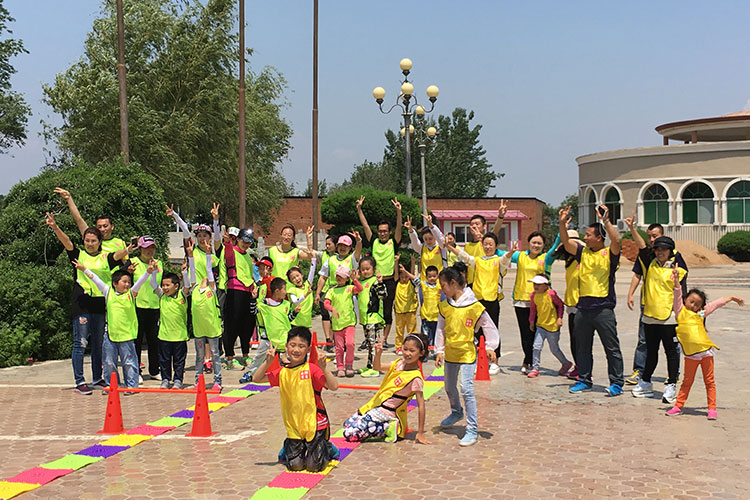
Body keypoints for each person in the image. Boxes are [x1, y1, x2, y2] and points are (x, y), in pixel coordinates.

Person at [46, 212, 129, 395]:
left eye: (93, 241)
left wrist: (130, 248)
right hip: (81, 304)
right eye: (87, 240)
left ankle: (97, 378)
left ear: (99, 242)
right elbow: (67, 242)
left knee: (98, 344)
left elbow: (118, 255)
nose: (90, 244)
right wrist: (55, 227)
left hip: (99, 304)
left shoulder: (105, 257)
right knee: (81, 343)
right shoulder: (79, 255)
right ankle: (80, 381)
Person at [252, 327, 340, 472]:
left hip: (315, 424)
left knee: (314, 467)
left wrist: (324, 368)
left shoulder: (311, 369)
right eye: (292, 345)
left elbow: (334, 386)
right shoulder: (283, 372)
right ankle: (290, 446)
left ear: (308, 349)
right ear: (286, 346)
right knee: (296, 466)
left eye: (301, 346)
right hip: (294, 425)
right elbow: (256, 378)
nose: (296, 350)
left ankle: (328, 447)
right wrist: (267, 362)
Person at [559, 204, 625, 396]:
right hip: (583, 309)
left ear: (598, 237)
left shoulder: (609, 254)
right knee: (583, 348)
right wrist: (562, 224)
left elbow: (616, 240)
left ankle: (617, 383)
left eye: (588, 235)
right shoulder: (583, 252)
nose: (585, 237)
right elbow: (566, 242)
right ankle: (584, 380)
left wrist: (606, 220)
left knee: (611, 348)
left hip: (603, 309)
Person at [665, 271, 744, 420]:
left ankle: (712, 408)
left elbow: (715, 305)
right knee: (687, 382)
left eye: (697, 304)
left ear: (700, 307)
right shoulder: (680, 311)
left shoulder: (700, 314)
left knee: (709, 381)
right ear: (685, 300)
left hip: (706, 352)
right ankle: (678, 406)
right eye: (691, 301)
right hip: (691, 355)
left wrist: (731, 298)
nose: (693, 305)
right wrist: (676, 280)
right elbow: (677, 294)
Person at [625, 214, 687, 403]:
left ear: (670, 251)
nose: (660, 252)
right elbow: (642, 246)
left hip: (668, 318)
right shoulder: (649, 262)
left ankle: (671, 385)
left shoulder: (677, 269)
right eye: (657, 249)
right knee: (651, 351)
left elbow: (681, 291)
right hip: (650, 316)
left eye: (664, 250)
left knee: (671, 352)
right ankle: (645, 382)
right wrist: (632, 228)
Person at [436, 266, 499, 447]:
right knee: (449, 386)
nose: (442, 289)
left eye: (443, 285)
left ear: (453, 283)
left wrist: (490, 346)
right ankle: (456, 411)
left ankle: (472, 429)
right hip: (451, 352)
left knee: (466, 388)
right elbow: (440, 329)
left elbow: (488, 325)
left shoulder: (474, 306)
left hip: (467, 353)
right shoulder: (445, 306)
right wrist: (439, 350)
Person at [72, 261, 149, 392]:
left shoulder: (131, 294)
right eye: (124, 282)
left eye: (129, 282)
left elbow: (141, 282)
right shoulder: (108, 292)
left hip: (127, 336)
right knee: (109, 363)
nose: (127, 284)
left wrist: (148, 272)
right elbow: (95, 279)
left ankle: (131, 386)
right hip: (110, 336)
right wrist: (84, 269)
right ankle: (112, 386)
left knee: (129, 362)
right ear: (115, 283)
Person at [343, 334, 430, 444]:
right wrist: (378, 354)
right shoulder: (399, 363)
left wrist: (420, 432)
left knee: (350, 434)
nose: (407, 353)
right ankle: (378, 425)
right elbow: (377, 367)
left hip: (388, 412)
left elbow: (421, 405)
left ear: (421, 353)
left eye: (412, 351)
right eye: (405, 349)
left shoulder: (415, 378)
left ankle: (388, 427)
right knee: (347, 424)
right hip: (377, 405)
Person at [448, 232, 512, 375]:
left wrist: (511, 252)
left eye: (491, 244)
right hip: (477, 301)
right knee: (477, 331)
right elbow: (464, 256)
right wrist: (450, 247)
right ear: (482, 245)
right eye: (486, 244)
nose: (488, 247)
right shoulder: (477, 261)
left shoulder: (498, 261)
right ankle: (478, 359)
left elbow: (506, 259)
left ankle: (494, 362)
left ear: (496, 246)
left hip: (492, 300)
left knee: (493, 330)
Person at [499, 229, 557, 375]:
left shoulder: (546, 258)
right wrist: (485, 239)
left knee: (537, 334)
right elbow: (499, 253)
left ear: (543, 245)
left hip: (540, 302)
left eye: (539, 243)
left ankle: (532, 361)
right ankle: (528, 360)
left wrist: (561, 228)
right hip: (521, 300)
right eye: (534, 242)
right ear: (529, 243)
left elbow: (556, 246)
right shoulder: (520, 256)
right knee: (525, 333)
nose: (536, 245)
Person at [357, 195, 402, 348]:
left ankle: (383, 339)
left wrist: (398, 212)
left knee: (387, 312)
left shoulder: (393, 242)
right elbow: (365, 226)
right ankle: (369, 338)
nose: (382, 234)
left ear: (389, 232)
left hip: (389, 282)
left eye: (385, 231)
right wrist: (359, 209)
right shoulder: (374, 241)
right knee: (370, 310)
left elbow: (399, 227)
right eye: (380, 231)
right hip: (374, 282)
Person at [146, 253, 192, 390]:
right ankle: (165, 379)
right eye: (163, 285)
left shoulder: (182, 295)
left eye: (168, 285)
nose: (165, 288)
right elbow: (153, 284)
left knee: (179, 361)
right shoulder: (162, 296)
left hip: (179, 336)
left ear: (176, 286)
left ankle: (178, 380)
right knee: (164, 360)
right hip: (164, 336)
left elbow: (187, 285)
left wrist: (184, 273)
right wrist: (154, 271)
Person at [242, 277, 299, 381]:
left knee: (291, 355)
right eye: (284, 289)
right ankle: (250, 374)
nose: (286, 292)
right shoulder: (265, 304)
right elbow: (253, 311)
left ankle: (294, 374)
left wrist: (294, 313)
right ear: (277, 291)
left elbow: (288, 319)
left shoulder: (286, 304)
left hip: (283, 337)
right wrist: (253, 299)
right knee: (259, 357)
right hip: (268, 337)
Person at [315, 232, 362, 352]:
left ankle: (346, 343)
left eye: (345, 246)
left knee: (346, 318)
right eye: (340, 245)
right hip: (333, 291)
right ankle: (336, 344)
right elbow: (323, 277)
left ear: (350, 248)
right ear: (337, 246)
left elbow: (358, 252)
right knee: (333, 319)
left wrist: (358, 241)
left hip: (347, 292)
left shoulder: (352, 259)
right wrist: (318, 293)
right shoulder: (330, 260)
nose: (342, 248)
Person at [221, 227, 257, 369]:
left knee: (247, 325)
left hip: (248, 291)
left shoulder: (247, 256)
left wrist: (254, 286)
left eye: (249, 242)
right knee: (232, 325)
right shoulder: (231, 251)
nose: (246, 245)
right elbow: (228, 253)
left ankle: (245, 355)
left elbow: (250, 274)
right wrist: (227, 242)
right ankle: (229, 358)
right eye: (244, 241)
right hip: (235, 290)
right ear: (238, 239)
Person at [54, 188, 127, 254]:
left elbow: (126, 261)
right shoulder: (91, 238)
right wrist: (69, 199)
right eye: (99, 227)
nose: (102, 229)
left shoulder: (120, 242)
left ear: (112, 226)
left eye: (105, 226)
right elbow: (78, 219)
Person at [553, 229, 584, 380]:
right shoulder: (569, 262)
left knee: (581, 341)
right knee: (574, 340)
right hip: (571, 305)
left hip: (581, 305)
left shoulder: (583, 260)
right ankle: (578, 366)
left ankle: (584, 369)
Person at [527, 274, 571, 378]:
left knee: (554, 349)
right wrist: (531, 322)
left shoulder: (551, 294)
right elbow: (533, 310)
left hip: (552, 327)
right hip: (540, 326)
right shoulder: (533, 295)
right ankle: (535, 368)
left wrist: (559, 318)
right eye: (534, 284)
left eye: (539, 284)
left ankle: (566, 363)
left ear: (546, 285)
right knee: (536, 347)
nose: (535, 286)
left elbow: (560, 305)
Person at [131, 235, 161, 382]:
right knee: (136, 341)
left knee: (154, 341)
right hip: (137, 307)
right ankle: (136, 371)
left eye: (152, 247)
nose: (149, 250)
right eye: (146, 248)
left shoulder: (159, 264)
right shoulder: (133, 262)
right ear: (140, 249)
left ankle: (155, 370)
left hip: (154, 306)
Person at [324, 266, 363, 378]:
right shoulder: (331, 291)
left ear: (346, 278)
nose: (339, 278)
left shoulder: (350, 288)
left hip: (349, 322)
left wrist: (354, 279)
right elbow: (326, 303)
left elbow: (360, 289)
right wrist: (332, 308)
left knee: (350, 344)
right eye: (337, 276)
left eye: (341, 276)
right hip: (337, 324)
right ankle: (340, 367)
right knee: (339, 347)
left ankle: (349, 365)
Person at [190, 266, 223, 392]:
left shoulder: (212, 289)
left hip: (212, 329)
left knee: (215, 355)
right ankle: (198, 381)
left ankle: (217, 381)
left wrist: (208, 256)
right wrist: (189, 261)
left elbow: (209, 269)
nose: (204, 278)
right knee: (199, 356)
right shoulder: (194, 290)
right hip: (199, 329)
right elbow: (192, 274)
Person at [354, 256, 387, 377]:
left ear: (374, 269)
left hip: (374, 318)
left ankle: (375, 367)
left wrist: (380, 283)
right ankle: (369, 365)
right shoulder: (361, 283)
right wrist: (355, 279)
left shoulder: (375, 282)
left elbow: (383, 295)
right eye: (362, 269)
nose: (365, 271)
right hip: (365, 319)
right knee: (368, 344)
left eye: (368, 269)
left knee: (374, 344)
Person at [314, 235, 338, 352]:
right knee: (325, 315)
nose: (327, 246)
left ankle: (336, 338)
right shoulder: (323, 255)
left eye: (329, 244)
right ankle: (328, 339)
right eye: (326, 244)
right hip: (325, 289)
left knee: (335, 316)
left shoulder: (340, 257)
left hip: (336, 289)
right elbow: (322, 277)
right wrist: (317, 293)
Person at [406, 213, 446, 280]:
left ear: (434, 237)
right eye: (425, 239)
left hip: (439, 281)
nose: (428, 241)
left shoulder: (441, 247)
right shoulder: (422, 248)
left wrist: (430, 225)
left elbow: (439, 237)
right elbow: (415, 242)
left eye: (430, 238)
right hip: (425, 282)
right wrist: (410, 230)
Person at [393, 257, 420, 354]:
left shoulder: (411, 283)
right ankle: (399, 346)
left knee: (412, 330)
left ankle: (413, 345)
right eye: (402, 277)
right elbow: (396, 273)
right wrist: (396, 262)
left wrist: (413, 261)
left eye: (406, 277)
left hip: (410, 310)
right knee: (399, 330)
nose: (404, 279)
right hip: (399, 311)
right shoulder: (397, 282)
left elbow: (412, 274)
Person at [417, 265, 442, 352]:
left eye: (434, 276)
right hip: (426, 316)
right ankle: (424, 352)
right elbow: (414, 279)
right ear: (426, 277)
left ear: (437, 276)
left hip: (436, 316)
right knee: (425, 336)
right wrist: (405, 272)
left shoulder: (439, 285)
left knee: (436, 336)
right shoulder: (424, 285)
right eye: (430, 276)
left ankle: (435, 352)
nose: (432, 278)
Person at [287, 261, 317, 329]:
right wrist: (306, 294)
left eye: (297, 276)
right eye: (293, 278)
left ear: (302, 275)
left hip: (306, 321)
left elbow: (312, 271)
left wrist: (313, 259)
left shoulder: (307, 285)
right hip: (295, 322)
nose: (297, 279)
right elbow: (295, 302)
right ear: (291, 281)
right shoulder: (292, 290)